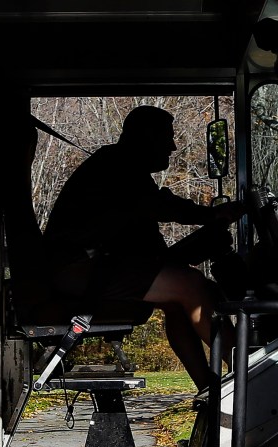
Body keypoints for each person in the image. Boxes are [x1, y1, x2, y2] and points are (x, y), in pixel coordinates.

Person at [42, 105, 244, 390]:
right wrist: (212, 215)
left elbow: (147, 217)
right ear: (147, 137)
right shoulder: (119, 165)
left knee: (178, 301)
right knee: (192, 287)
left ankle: (209, 391)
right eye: (168, 137)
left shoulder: (121, 165)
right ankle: (248, 375)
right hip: (83, 268)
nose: (173, 146)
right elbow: (159, 207)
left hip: (92, 266)